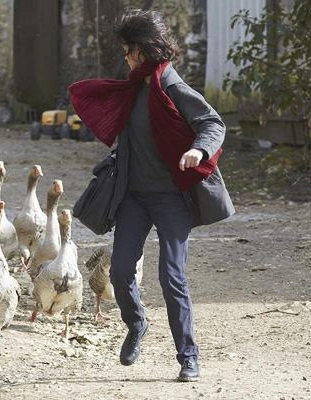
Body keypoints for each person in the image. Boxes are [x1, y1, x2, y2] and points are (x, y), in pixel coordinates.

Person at [69, 9, 235, 382]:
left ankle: (188, 357)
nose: (125, 58)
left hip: (171, 198)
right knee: (120, 270)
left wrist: (200, 150)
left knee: (171, 276)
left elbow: (212, 123)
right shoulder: (131, 90)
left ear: (142, 50)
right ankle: (137, 323)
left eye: (128, 51)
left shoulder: (173, 88)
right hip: (133, 197)